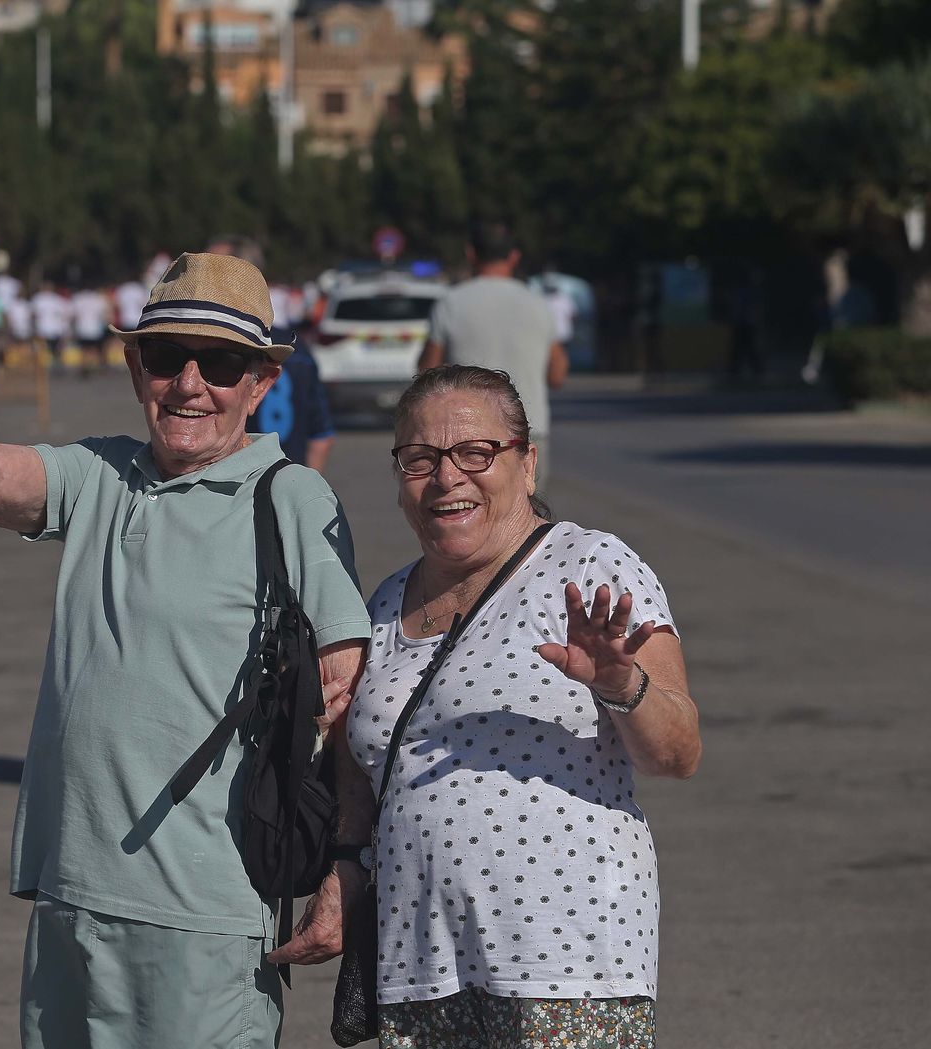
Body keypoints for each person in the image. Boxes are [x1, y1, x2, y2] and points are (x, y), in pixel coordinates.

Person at [0, 231, 371, 1049]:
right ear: (137, 369)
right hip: (71, 896)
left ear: (263, 382)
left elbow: (351, 701)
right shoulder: (101, 474)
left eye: (220, 364)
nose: (190, 383)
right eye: (169, 356)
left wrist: (347, 867)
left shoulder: (292, 500)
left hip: (205, 916)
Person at [340, 365, 701, 1049]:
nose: (448, 478)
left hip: (563, 965)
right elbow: (363, 769)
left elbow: (677, 752)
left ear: (526, 462)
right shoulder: (386, 602)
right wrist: (342, 870)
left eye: (477, 453)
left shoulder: (590, 565)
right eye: (420, 458)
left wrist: (622, 685)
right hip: (418, 966)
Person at [419, 223, 568, 483]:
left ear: (471, 253)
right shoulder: (538, 304)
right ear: (514, 256)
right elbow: (557, 374)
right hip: (529, 429)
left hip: (468, 432)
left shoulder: (451, 303)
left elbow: (427, 372)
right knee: (529, 517)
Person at [247, 331, 336, 471]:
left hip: (241, 476)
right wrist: (308, 487)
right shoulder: (300, 352)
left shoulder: (240, 342)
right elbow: (322, 436)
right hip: (292, 473)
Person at [69, 284, 109, 376]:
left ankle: (84, 368)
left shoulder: (78, 298)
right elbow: (104, 313)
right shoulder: (98, 298)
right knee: (100, 349)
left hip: (82, 327)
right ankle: (103, 368)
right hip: (95, 327)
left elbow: (73, 315)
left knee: (83, 350)